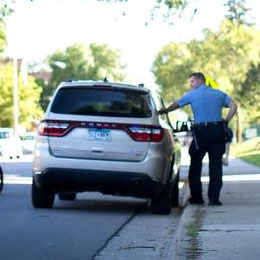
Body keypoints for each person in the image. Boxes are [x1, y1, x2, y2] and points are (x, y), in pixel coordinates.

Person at [159, 72, 237, 206]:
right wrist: (226, 121)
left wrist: (164, 111)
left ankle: (197, 198)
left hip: (201, 132)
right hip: (218, 130)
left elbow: (176, 104)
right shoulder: (219, 94)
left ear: (201, 80)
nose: (191, 84)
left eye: (192, 81)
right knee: (216, 165)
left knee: (195, 164)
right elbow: (234, 106)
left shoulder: (192, 95)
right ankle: (214, 199)